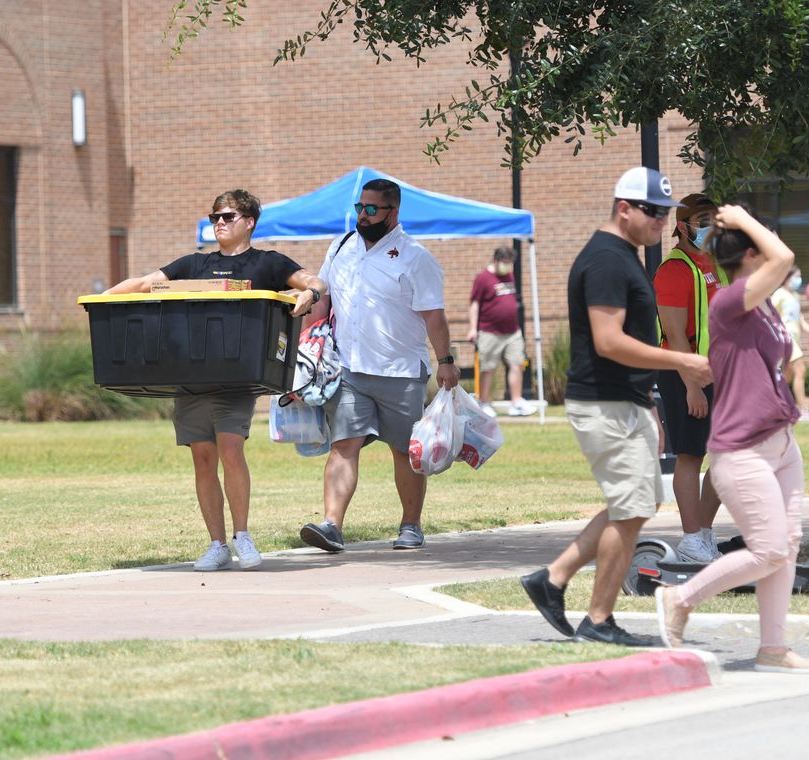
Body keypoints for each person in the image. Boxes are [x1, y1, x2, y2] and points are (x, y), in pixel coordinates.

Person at [519, 167, 712, 646]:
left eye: (666, 213)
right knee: (629, 512)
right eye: (653, 211)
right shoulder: (606, 260)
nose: (661, 222)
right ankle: (599, 619)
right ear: (624, 207)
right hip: (603, 403)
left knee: (636, 504)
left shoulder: (623, 254)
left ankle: (553, 579)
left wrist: (645, 399)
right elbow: (609, 341)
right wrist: (682, 361)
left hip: (624, 401)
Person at [104, 189, 327, 572]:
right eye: (215, 218)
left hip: (237, 379)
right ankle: (217, 544)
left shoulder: (268, 263)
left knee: (230, 449)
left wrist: (309, 293)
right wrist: (100, 299)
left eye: (227, 217)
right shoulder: (195, 264)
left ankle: (242, 536)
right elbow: (143, 284)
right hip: (191, 378)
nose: (219, 223)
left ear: (249, 222)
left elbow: (315, 281)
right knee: (203, 458)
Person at [654, 205, 809, 674]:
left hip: (779, 442)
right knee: (768, 547)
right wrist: (744, 218)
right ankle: (680, 598)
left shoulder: (763, 306)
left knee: (785, 545)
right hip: (741, 448)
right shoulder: (729, 302)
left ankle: (772, 648)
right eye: (762, 244)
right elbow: (784, 255)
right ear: (752, 254)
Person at [298, 178, 461, 553]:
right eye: (360, 208)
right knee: (343, 445)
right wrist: (307, 348)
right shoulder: (341, 247)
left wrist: (446, 361)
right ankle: (332, 525)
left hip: (401, 371)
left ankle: (410, 525)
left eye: (372, 209)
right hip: (349, 369)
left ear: (393, 212)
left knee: (405, 451)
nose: (364, 215)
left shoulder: (415, 257)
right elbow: (324, 300)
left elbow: (434, 317)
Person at [653, 192, 726, 563]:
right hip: (685, 373)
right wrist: (692, 386)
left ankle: (705, 533)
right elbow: (676, 334)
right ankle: (691, 538)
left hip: (718, 372)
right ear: (682, 227)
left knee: (728, 455)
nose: (709, 227)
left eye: (713, 219)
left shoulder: (713, 262)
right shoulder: (674, 270)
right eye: (702, 221)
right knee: (690, 455)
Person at [467, 246, 537, 417]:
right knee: (488, 368)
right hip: (490, 331)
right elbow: (474, 304)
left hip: (512, 331)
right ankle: (484, 403)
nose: (507, 266)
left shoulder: (509, 275)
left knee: (516, 364)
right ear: (496, 260)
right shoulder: (483, 278)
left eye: (510, 263)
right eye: (505, 263)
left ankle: (516, 402)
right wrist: (472, 329)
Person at [771, 266, 809, 414]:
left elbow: (800, 320)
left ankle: (772, 400)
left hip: (795, 338)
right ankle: (802, 408)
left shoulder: (795, 295)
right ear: (787, 277)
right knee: (800, 370)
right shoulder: (779, 294)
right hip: (785, 338)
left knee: (787, 375)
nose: (799, 280)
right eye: (796, 276)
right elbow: (769, 313)